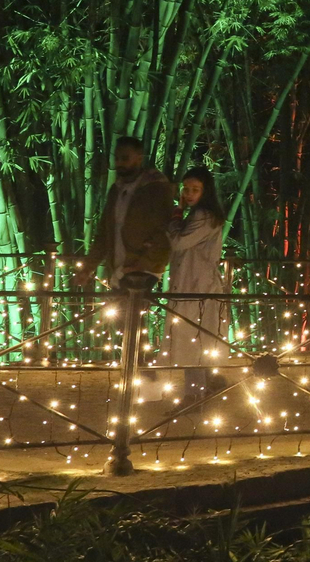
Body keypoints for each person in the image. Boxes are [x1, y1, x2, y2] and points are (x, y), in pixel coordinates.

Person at [157, 167, 228, 405]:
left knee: (192, 340)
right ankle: (206, 385)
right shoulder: (200, 215)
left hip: (197, 286)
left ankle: (194, 394)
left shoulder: (203, 216)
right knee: (196, 339)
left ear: (205, 192)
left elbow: (178, 242)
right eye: (185, 189)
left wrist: (175, 217)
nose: (188, 194)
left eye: (194, 190)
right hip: (195, 284)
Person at [79, 137, 174, 290]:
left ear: (139, 158)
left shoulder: (155, 189)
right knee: (119, 313)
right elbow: (104, 233)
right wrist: (87, 268)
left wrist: (143, 263)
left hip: (142, 272)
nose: (119, 163)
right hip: (119, 268)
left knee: (127, 312)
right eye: (117, 158)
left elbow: (165, 232)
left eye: (125, 158)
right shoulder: (116, 189)